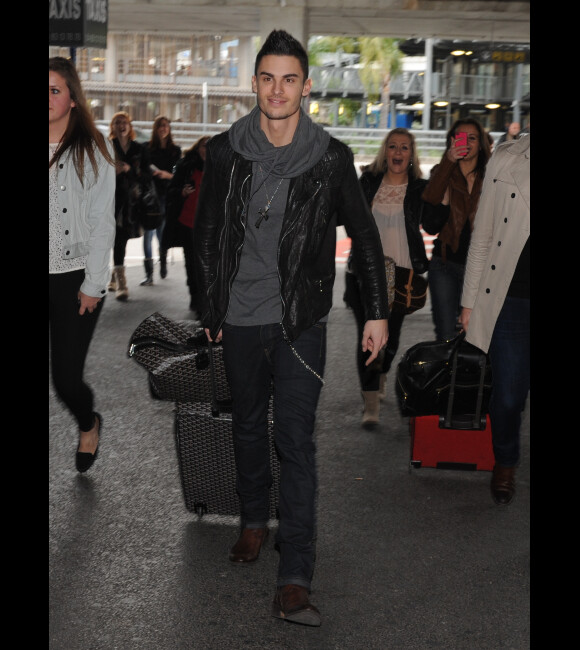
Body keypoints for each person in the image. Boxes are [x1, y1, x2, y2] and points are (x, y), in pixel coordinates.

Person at [193, 30, 389, 627]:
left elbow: (365, 233)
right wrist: (210, 309)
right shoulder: (227, 151)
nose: (278, 90)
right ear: (254, 84)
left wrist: (377, 310)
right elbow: (206, 235)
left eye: (290, 79)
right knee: (249, 425)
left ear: (305, 87)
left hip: (300, 317)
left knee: (295, 441)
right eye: (268, 78)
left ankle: (296, 572)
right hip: (241, 318)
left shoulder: (330, 157)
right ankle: (254, 520)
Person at [344, 128, 449, 428]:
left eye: (404, 147)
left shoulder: (420, 187)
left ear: (411, 154)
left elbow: (431, 226)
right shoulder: (368, 182)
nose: (398, 153)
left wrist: (443, 201)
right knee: (367, 340)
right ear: (385, 151)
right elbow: (351, 219)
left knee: (391, 340)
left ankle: (382, 370)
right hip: (365, 273)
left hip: (404, 273)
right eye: (392, 147)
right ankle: (371, 402)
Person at [49, 56, 116, 472]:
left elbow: (101, 222)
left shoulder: (92, 148)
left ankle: (88, 423)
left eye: (54, 90)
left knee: (66, 381)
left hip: (73, 277)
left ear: (72, 98)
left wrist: (94, 283)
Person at [459, 133, 530, 506]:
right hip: (510, 300)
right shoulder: (506, 158)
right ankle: (505, 460)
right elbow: (483, 235)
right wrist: (470, 302)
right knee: (507, 397)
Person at [421, 117, 492, 341]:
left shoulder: (492, 175)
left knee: (477, 334)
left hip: (481, 268)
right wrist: (448, 162)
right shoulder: (442, 171)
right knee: (445, 334)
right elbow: (430, 205)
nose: (467, 143)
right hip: (445, 264)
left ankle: (470, 377)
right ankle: (447, 376)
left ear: (481, 143)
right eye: (461, 137)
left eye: (473, 138)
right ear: (452, 141)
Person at [163, 135, 211, 315]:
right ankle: (195, 298)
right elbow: (171, 191)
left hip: (209, 226)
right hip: (188, 224)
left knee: (207, 266)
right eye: (203, 146)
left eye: (209, 146)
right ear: (197, 148)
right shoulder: (187, 166)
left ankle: (205, 299)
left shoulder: (219, 168)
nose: (206, 149)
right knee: (192, 265)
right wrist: (182, 192)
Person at [107, 111, 151, 300]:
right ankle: (115, 275)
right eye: (117, 122)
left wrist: (128, 169)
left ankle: (121, 281)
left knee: (120, 239)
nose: (121, 125)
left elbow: (146, 175)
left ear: (130, 126)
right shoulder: (107, 146)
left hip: (130, 203)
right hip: (109, 201)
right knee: (110, 240)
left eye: (125, 122)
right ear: (113, 127)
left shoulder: (139, 149)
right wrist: (111, 172)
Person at [141, 115, 182, 285]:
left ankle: (163, 262)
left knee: (162, 233)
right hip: (150, 195)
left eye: (166, 125)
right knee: (148, 234)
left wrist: (167, 175)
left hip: (166, 195)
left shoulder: (176, 150)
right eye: (160, 125)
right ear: (155, 128)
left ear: (169, 128)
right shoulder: (147, 148)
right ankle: (149, 274)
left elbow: (179, 176)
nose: (163, 128)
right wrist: (150, 172)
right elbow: (142, 170)